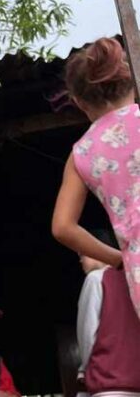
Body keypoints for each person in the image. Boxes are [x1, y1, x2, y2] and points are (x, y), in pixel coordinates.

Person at [51, 37, 140, 322]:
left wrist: (118, 258)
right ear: (129, 81)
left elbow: (63, 227)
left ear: (77, 101)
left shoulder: (82, 153)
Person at [76, 240, 140, 397]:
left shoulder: (96, 278)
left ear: (94, 250)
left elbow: (87, 334)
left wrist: (85, 370)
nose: (80, 260)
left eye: (81, 254)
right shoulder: (134, 280)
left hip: (108, 382)